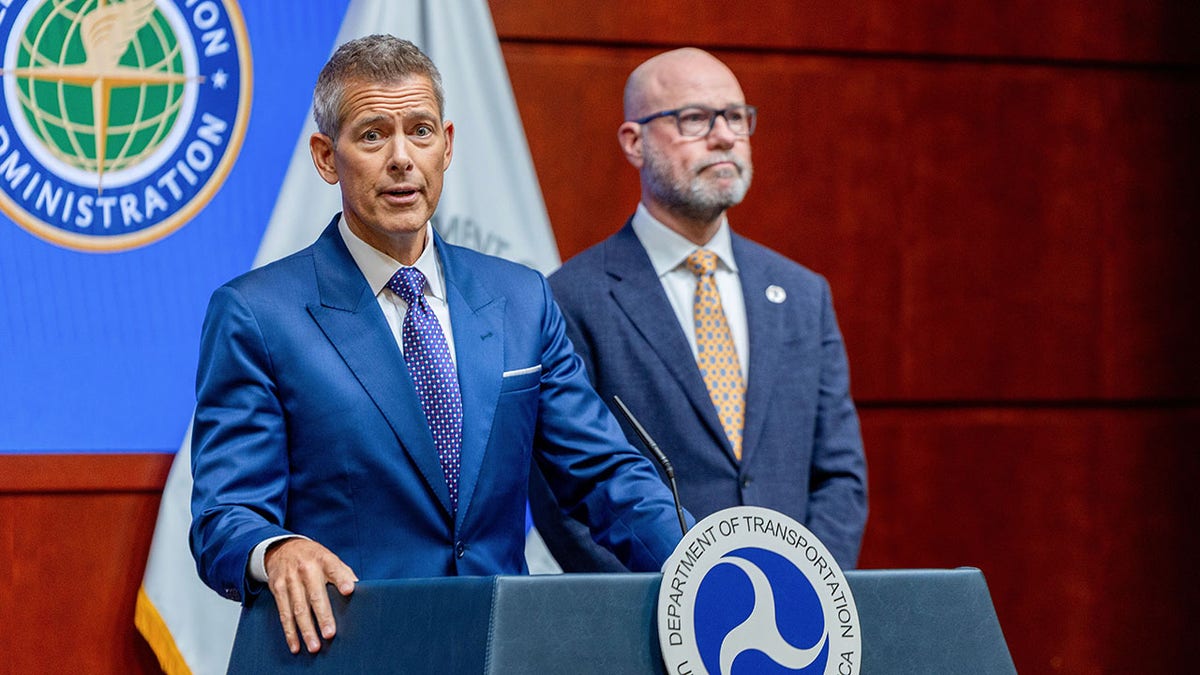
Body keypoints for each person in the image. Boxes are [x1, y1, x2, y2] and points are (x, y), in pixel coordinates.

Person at [189, 35, 686, 656]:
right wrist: (277, 549)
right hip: (350, 655)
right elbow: (224, 517)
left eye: (420, 131)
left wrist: (706, 561)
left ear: (446, 146)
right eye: (373, 135)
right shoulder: (258, 314)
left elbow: (605, 474)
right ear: (325, 156)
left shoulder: (520, 298)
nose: (402, 158)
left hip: (497, 651)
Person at [529, 48, 867, 572]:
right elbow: (562, 500)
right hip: (650, 626)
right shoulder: (571, 298)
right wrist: (675, 610)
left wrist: (813, 588)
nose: (725, 136)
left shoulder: (802, 294)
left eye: (735, 116)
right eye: (694, 119)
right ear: (634, 142)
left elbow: (839, 475)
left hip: (799, 622)